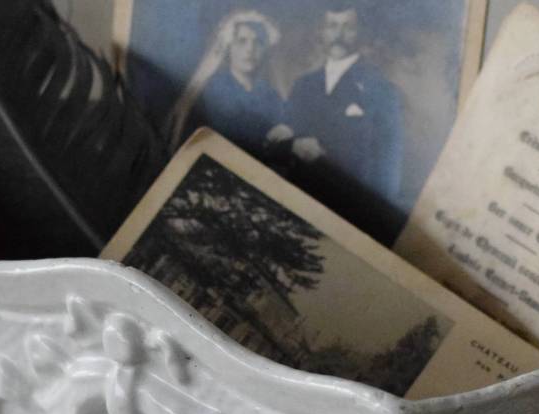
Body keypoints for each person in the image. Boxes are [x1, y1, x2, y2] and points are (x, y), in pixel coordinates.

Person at [268, 2, 404, 241]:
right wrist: (293, 145)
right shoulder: (303, 85)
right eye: (332, 26)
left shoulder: (380, 89)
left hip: (349, 213)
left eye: (347, 27)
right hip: (297, 205)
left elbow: (386, 166)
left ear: (360, 32)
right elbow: (274, 146)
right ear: (322, 31)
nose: (338, 35)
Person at [166, 10, 284, 152]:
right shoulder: (213, 88)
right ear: (229, 48)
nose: (250, 49)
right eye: (241, 41)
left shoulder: (271, 94)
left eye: (258, 42)